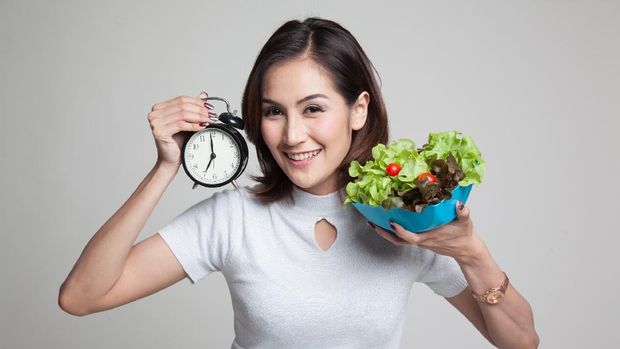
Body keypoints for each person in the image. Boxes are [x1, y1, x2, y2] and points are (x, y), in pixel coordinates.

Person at [58, 17, 539, 348]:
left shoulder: (405, 217)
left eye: (313, 108)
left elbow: (520, 342)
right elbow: (82, 296)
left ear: (358, 109)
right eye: (273, 111)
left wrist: (472, 252)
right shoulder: (233, 219)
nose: (291, 135)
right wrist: (166, 165)